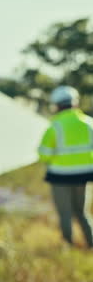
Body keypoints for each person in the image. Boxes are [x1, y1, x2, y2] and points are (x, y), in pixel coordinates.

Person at [37, 85, 93, 248]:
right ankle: (91, 243)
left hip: (60, 175)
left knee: (65, 213)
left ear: (57, 105)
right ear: (75, 103)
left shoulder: (55, 126)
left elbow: (43, 154)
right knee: (82, 212)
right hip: (84, 175)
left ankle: (68, 245)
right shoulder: (89, 124)